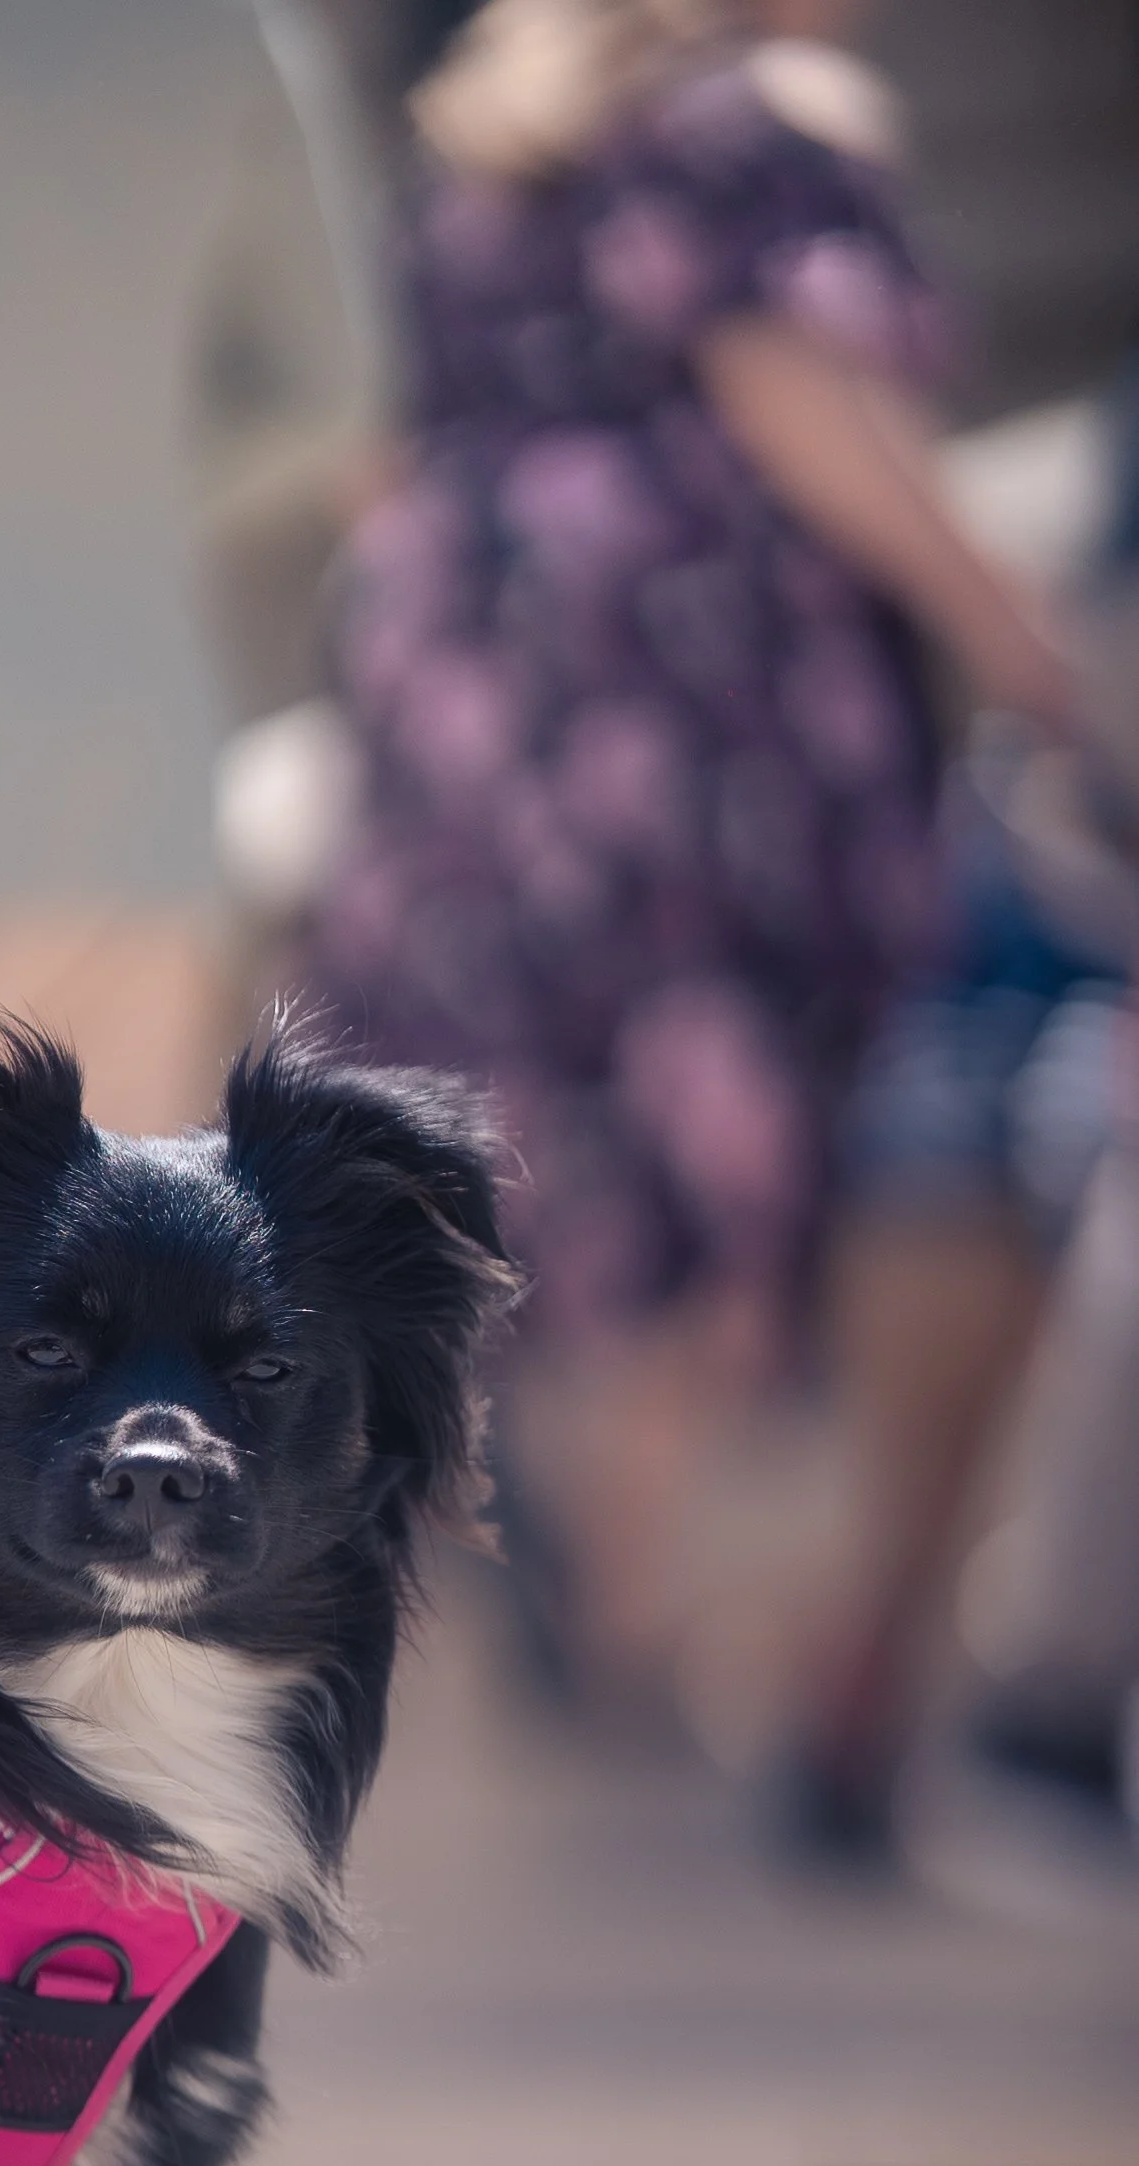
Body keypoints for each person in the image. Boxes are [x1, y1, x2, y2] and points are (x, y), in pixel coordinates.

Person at [302, 0, 1073, 1723]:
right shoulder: (765, 123)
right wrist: (1024, 644)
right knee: (726, 1111)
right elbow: (803, 404)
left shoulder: (488, 128)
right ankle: (639, 1577)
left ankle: (562, 1523)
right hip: (690, 698)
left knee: (525, 1112)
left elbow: (376, 432)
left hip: (474, 685)